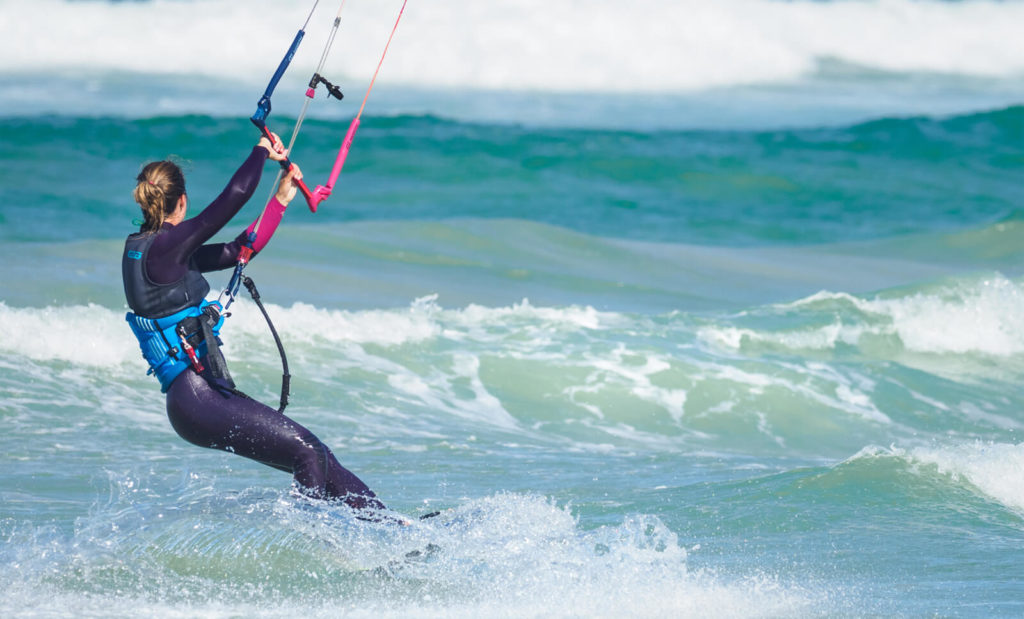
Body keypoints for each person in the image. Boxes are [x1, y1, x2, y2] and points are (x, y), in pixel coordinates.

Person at [122, 134, 385, 513]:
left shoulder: (150, 251)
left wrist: (279, 200)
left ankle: (388, 527)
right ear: (181, 200)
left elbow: (237, 251)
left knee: (318, 455)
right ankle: (312, 543)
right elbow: (236, 195)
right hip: (196, 396)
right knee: (308, 454)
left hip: (195, 398)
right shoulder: (166, 249)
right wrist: (262, 148)